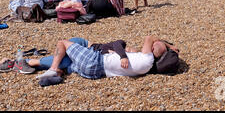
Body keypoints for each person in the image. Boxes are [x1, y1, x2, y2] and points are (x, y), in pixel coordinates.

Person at [32, 35, 169, 80]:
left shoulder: (146, 59)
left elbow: (149, 38)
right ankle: (57, 72)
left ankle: (52, 68)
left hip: (95, 61)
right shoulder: (144, 67)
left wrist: (165, 43)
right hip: (94, 74)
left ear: (151, 50)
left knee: (63, 43)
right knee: (67, 63)